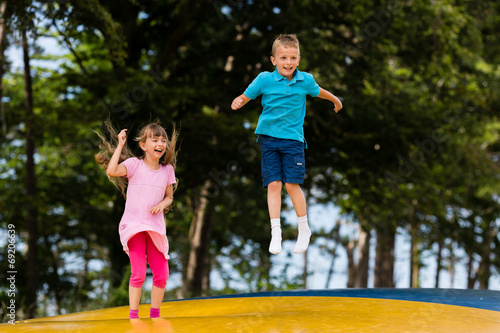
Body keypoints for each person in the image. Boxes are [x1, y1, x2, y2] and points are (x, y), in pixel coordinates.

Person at [231, 34, 343, 255]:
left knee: (291, 184)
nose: (288, 62)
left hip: (293, 141)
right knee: (273, 184)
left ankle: (304, 228)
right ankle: (276, 231)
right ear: (273, 60)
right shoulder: (264, 79)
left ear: (299, 59)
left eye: (292, 57)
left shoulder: (305, 81)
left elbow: (319, 92)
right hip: (269, 139)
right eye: (283, 58)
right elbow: (247, 96)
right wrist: (239, 101)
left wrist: (336, 100)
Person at [95, 120, 178, 319]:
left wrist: (163, 204)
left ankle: (155, 315)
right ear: (143, 146)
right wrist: (120, 145)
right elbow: (112, 171)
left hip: (155, 227)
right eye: (155, 140)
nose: (160, 144)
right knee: (138, 274)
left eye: (163, 140)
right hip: (134, 226)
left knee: (162, 275)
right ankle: (133, 316)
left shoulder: (167, 170)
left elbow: (169, 196)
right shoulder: (134, 165)